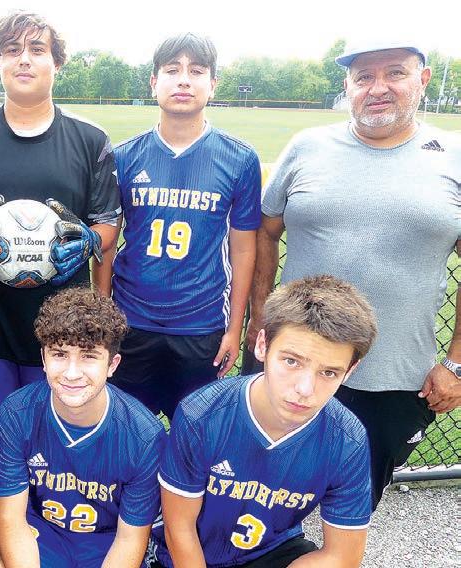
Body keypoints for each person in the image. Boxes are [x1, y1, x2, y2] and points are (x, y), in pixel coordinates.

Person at [245, 41, 461, 509]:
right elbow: (265, 231)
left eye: (395, 73)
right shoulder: (307, 146)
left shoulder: (453, 155)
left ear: (422, 80)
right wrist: (259, 315)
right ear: (348, 85)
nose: (378, 88)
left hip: (394, 377)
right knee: (256, 487)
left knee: (353, 503)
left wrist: (456, 361)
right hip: (293, 362)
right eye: (364, 77)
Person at [0, 11, 121, 435]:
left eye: (37, 50)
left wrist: (89, 239)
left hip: (65, 325)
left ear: (57, 63)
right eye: (12, 50)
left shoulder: (90, 139)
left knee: (56, 431)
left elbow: (108, 223)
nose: (24, 59)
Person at [156, 275, 376, 568]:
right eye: (291, 361)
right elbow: (180, 529)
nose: (305, 389)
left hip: (271, 551)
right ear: (262, 345)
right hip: (193, 553)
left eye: (328, 373)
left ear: (350, 370)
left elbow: (342, 556)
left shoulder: (346, 439)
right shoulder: (202, 415)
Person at [110, 34, 260, 419]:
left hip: (201, 324)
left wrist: (234, 328)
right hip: (130, 320)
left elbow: (244, 249)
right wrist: (104, 317)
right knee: (129, 428)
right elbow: (107, 245)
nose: (183, 80)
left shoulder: (240, 158)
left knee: (193, 432)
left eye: (196, 71)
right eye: (172, 70)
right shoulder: (123, 156)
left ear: (213, 84)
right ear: (153, 82)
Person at [0, 287, 164, 568]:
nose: (71, 373)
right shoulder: (17, 413)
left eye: (88, 356)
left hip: (106, 543)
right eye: (59, 354)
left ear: (112, 364)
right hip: (42, 535)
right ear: (43, 359)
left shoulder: (143, 436)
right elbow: (11, 519)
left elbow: (129, 539)